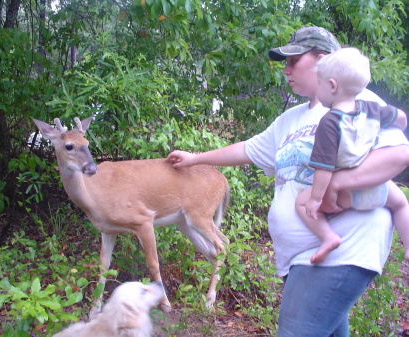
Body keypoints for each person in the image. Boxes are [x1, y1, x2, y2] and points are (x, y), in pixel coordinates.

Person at [166, 26, 409, 336]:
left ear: (323, 61)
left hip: (342, 249)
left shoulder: (356, 101)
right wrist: (196, 158)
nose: (286, 69)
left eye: (294, 61)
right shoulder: (290, 119)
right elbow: (247, 149)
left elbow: (398, 155)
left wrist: (336, 185)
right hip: (300, 259)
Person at [294, 47, 409, 264]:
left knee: (300, 203)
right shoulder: (372, 109)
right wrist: (401, 123)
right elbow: (401, 117)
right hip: (378, 186)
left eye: (319, 83)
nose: (318, 88)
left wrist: (316, 199)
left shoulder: (329, 122)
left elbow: (324, 167)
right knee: (402, 203)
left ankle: (328, 237)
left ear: (332, 85)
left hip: (346, 195)